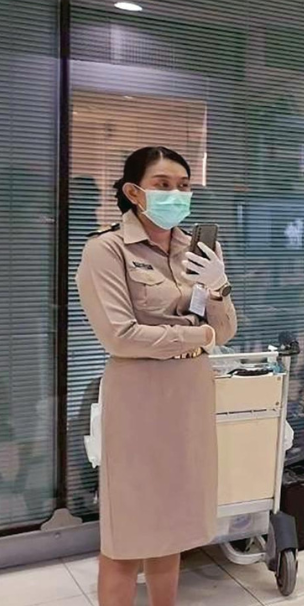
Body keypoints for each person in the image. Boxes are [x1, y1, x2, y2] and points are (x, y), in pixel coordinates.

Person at [76, 146, 238, 606]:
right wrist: (199, 335)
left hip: (190, 396)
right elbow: (120, 336)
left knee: (173, 525)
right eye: (163, 185)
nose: (176, 194)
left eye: (184, 186)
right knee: (128, 531)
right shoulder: (106, 249)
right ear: (134, 191)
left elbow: (226, 329)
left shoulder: (199, 249)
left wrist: (220, 286)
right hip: (140, 398)